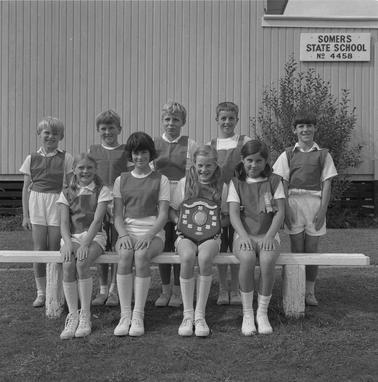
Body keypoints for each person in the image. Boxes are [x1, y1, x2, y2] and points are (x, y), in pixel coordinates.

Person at [273, 111, 337, 306]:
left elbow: (327, 183)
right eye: (301, 126)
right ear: (294, 130)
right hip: (293, 202)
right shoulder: (288, 153)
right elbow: (282, 181)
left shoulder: (323, 154)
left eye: (309, 126)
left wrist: (323, 211)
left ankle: (309, 291)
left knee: (312, 250)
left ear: (315, 128)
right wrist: (286, 210)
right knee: (296, 249)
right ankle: (294, 287)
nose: (305, 129)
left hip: (314, 204)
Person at [113, 132, 169, 337]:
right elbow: (117, 215)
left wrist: (149, 235)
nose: (140, 157)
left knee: (141, 255)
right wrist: (123, 235)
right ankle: (125, 314)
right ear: (130, 154)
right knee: (126, 255)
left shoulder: (160, 179)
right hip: (128, 232)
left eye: (144, 152)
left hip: (153, 233)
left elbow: (163, 215)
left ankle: (138, 314)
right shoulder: (122, 179)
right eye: (136, 153)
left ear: (150, 153)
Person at [170, 145, 228, 337]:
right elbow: (172, 210)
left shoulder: (223, 186)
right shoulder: (184, 183)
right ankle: (187, 314)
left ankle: (200, 315)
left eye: (208, 165)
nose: (204, 170)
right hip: (185, 236)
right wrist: (181, 223)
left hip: (212, 237)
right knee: (186, 257)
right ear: (194, 164)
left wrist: (215, 225)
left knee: (204, 259)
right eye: (200, 165)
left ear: (215, 164)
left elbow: (227, 216)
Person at [228, 140, 285, 335]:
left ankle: (262, 312)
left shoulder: (275, 181)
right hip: (244, 235)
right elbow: (234, 213)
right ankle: (247, 313)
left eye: (259, 161)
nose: (254, 165)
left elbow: (280, 212)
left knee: (268, 260)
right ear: (242, 160)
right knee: (248, 258)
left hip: (269, 235)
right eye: (249, 160)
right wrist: (243, 236)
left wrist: (270, 236)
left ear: (266, 161)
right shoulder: (236, 183)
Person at [20, 116, 74, 307]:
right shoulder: (31, 158)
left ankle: (55, 290)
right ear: (39, 134)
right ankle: (41, 292)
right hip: (37, 202)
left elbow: (71, 185)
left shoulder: (66, 157)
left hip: (57, 202)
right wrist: (26, 215)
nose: (51, 137)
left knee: (54, 248)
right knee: (39, 249)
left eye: (55, 134)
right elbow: (26, 188)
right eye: (47, 133)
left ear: (61, 136)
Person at [57, 153, 112, 339]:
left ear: (95, 169)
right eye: (81, 167)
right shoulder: (66, 192)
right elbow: (64, 223)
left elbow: (97, 221)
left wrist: (85, 244)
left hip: (94, 237)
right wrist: (66, 242)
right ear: (74, 170)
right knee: (68, 265)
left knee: (82, 263)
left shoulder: (102, 190)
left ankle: (85, 314)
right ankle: (72, 314)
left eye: (89, 167)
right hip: (72, 236)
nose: (85, 171)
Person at [153, 101, 198, 308]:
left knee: (181, 241)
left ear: (183, 122)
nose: (171, 123)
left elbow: (195, 175)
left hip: (182, 198)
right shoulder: (153, 144)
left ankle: (179, 291)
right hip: (160, 197)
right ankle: (165, 289)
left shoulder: (191, 144)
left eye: (176, 120)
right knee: (164, 242)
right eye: (167, 119)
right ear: (162, 121)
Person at [209, 102, 251, 306]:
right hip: (217, 196)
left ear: (237, 119)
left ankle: (235, 287)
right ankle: (222, 288)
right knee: (220, 241)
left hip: (239, 195)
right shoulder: (210, 144)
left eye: (231, 118)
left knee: (236, 241)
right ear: (217, 120)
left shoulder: (245, 141)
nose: (227, 122)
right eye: (223, 118)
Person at [90, 110, 132, 307]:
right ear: (98, 130)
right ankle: (103, 289)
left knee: (116, 244)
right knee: (101, 245)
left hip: (118, 202)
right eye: (104, 128)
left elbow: (131, 178)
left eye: (111, 128)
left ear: (119, 129)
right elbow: (88, 178)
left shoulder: (126, 151)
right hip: (99, 203)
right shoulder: (93, 151)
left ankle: (115, 289)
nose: (108, 132)